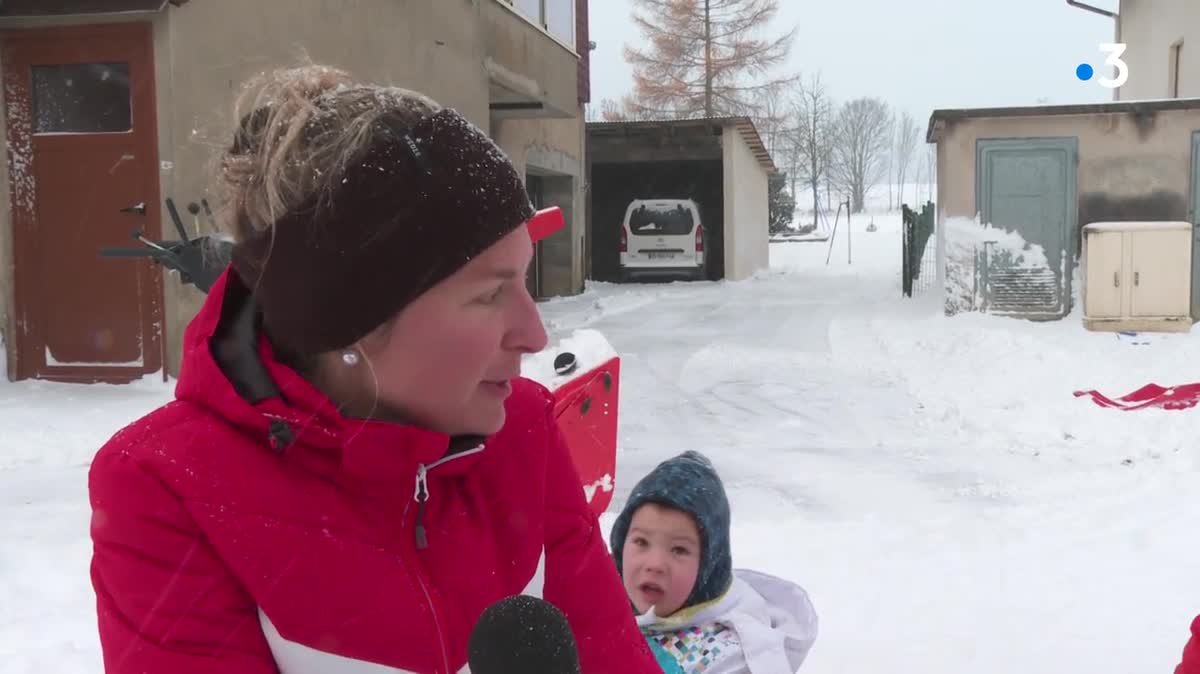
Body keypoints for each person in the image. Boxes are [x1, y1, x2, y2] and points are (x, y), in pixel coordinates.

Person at [87, 64, 662, 674]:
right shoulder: (168, 489)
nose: (534, 333)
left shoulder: (521, 430)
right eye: (490, 294)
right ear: (353, 318)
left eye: (525, 281)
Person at [610, 451, 819, 673]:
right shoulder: (602, 604)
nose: (655, 564)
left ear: (708, 565)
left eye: (679, 550)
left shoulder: (733, 658)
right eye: (641, 542)